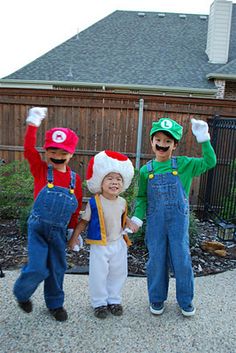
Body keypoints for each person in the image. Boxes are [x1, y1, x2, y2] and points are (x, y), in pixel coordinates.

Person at [131, 117, 217, 317]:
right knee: (156, 260)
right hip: (155, 224)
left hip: (178, 224)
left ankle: (185, 300)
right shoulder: (146, 171)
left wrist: (203, 138)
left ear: (175, 145)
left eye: (167, 141)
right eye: (158, 140)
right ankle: (156, 298)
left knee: (181, 260)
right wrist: (137, 218)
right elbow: (142, 197)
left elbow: (210, 162)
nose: (162, 144)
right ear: (152, 142)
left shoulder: (184, 164)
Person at [13, 107, 83, 322]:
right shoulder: (41, 169)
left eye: (63, 153)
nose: (58, 157)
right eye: (53, 152)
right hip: (38, 229)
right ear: (46, 152)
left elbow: (76, 205)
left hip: (60, 232)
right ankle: (22, 294)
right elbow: (27, 149)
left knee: (57, 268)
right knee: (37, 268)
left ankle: (55, 304)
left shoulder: (75, 180)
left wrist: (73, 231)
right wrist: (33, 123)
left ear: (71, 154)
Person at [69, 150, 134, 319]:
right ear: (101, 181)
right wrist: (74, 238)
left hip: (118, 244)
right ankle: (99, 303)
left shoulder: (122, 202)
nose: (115, 182)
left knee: (119, 272)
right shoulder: (94, 202)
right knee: (99, 274)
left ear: (123, 183)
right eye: (110, 178)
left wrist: (131, 224)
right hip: (100, 245)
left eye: (118, 179)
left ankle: (114, 299)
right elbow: (84, 222)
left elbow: (123, 219)